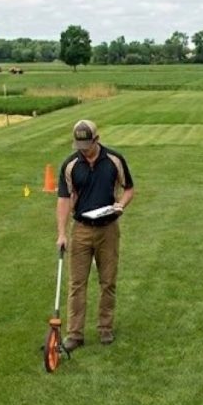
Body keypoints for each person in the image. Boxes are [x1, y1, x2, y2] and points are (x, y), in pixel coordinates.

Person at [56, 119, 135, 350]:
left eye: (87, 145)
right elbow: (63, 199)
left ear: (97, 140)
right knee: (76, 283)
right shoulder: (70, 165)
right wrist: (62, 234)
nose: (83, 150)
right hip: (81, 229)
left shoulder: (114, 160)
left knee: (108, 281)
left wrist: (121, 205)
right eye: (79, 146)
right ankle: (74, 334)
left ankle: (105, 328)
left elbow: (129, 189)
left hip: (108, 229)